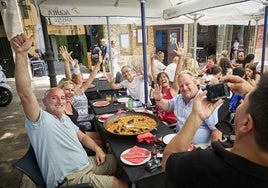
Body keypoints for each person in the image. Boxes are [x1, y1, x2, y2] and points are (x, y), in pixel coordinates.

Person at [11, 33, 128, 188]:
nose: (60, 100)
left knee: (118, 161)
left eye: (62, 97)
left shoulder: (64, 119)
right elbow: (25, 93)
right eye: (54, 97)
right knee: (121, 184)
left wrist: (98, 149)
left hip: (87, 163)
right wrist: (20, 54)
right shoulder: (40, 121)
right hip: (70, 177)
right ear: (43, 101)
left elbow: (83, 138)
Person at [162, 74, 268, 188]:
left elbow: (167, 159)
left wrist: (196, 116)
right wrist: (252, 93)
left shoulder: (201, 164)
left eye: (242, 102)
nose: (240, 103)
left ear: (246, 123)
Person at [153, 71, 222, 145]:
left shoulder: (206, 101)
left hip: (198, 149)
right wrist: (158, 100)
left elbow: (216, 131)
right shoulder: (179, 98)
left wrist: (213, 152)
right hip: (179, 143)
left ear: (195, 83)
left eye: (187, 84)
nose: (184, 88)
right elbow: (168, 106)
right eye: (181, 86)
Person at [59, 46, 103, 144]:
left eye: (82, 76)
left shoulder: (82, 89)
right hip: (80, 123)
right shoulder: (71, 93)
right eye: (80, 76)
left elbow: (92, 76)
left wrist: (99, 63)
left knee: (103, 138)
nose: (82, 78)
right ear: (74, 78)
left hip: (87, 121)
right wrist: (66, 62)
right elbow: (68, 78)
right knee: (101, 140)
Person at [150, 44, 183, 124]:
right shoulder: (159, 90)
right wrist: (151, 59)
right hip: (158, 121)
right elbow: (154, 74)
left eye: (165, 77)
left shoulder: (173, 89)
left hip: (169, 122)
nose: (163, 79)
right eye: (161, 78)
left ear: (168, 80)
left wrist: (180, 57)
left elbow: (177, 74)